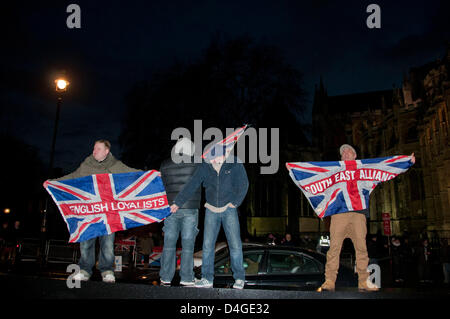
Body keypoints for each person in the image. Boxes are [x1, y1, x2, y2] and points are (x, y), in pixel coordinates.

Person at [319, 144, 416, 292]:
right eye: (343, 153)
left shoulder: (364, 170)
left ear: (355, 155)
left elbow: (384, 170)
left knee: (361, 248)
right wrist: (294, 170)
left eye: (348, 151)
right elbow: (315, 174)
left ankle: (363, 281)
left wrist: (407, 162)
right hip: (339, 214)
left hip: (358, 214)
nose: (345, 154)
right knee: (334, 249)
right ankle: (329, 281)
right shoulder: (335, 171)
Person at [44, 139, 140, 283]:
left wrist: (150, 175)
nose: (94, 151)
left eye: (98, 149)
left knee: (107, 243)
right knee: (86, 241)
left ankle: (107, 270)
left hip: (108, 213)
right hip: (89, 211)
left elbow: (132, 174)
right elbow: (72, 177)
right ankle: (84, 270)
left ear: (106, 151)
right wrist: (54, 182)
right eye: (94, 148)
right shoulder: (87, 165)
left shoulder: (115, 165)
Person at [170, 144, 249, 289]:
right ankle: (207, 278)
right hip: (211, 209)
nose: (213, 162)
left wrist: (235, 203)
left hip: (229, 209)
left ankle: (239, 278)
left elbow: (244, 184)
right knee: (207, 245)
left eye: (215, 158)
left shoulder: (235, 163)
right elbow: (192, 184)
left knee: (235, 244)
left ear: (224, 155)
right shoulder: (205, 166)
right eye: (211, 159)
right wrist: (178, 202)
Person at [159, 138, 201, 286]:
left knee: (169, 244)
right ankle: (186, 277)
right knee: (188, 245)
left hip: (170, 209)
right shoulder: (197, 163)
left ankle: (165, 276)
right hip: (190, 207)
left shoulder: (165, 165)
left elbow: (161, 187)